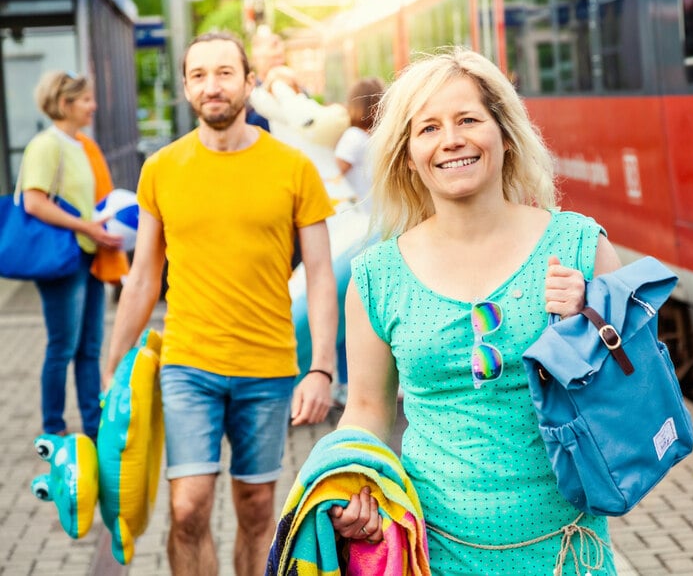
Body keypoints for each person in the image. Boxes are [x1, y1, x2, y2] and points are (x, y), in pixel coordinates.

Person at [329, 48, 623, 574]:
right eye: (429, 128)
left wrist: (592, 323)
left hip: (566, 554)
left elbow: (635, 387)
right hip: (435, 554)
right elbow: (369, 408)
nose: (452, 140)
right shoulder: (375, 277)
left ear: (505, 134)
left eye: (468, 119)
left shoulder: (578, 245)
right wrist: (351, 478)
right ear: (408, 154)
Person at [103, 31, 339, 576]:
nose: (213, 86)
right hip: (188, 365)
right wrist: (113, 362)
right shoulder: (161, 168)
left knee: (257, 510)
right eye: (199, 75)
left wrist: (322, 368)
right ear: (186, 87)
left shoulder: (293, 168)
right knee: (188, 508)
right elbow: (143, 279)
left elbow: (323, 275)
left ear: (249, 83)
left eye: (225, 73)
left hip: (269, 367)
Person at [20, 70, 125, 441]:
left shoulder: (81, 144)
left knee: (89, 347)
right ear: (65, 104)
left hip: (89, 254)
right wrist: (87, 227)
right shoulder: (47, 146)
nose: (93, 106)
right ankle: (52, 427)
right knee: (63, 345)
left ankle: (93, 427)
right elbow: (33, 202)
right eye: (86, 100)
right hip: (64, 258)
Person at [334, 76, 385, 213]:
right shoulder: (359, 136)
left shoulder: (358, 136)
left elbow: (335, 174)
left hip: (369, 214)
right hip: (370, 213)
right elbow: (337, 174)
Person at [246, 26, 287, 131]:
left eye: (280, 57)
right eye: (272, 58)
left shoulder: (296, 89)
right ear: (255, 59)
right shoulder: (248, 95)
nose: (278, 63)